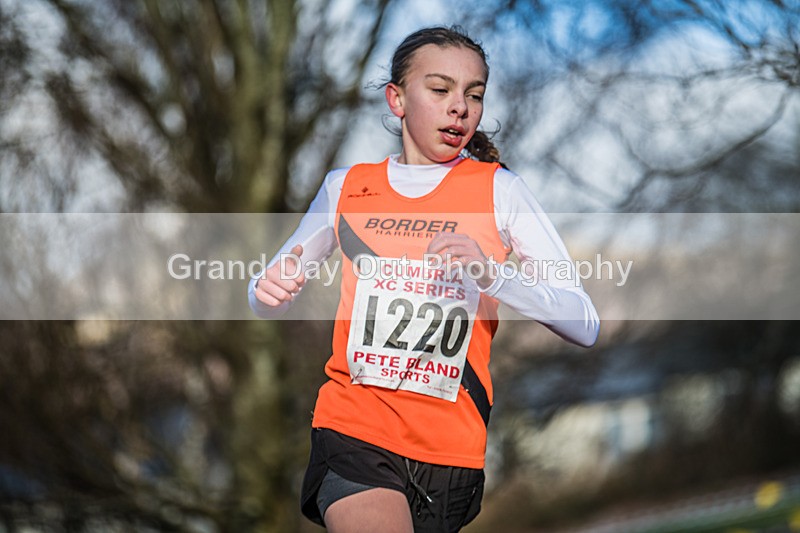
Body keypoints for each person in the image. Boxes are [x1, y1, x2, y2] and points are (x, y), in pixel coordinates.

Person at [249, 25, 600, 533]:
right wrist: (266, 292)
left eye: (474, 95)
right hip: (354, 428)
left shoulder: (501, 192)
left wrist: (493, 277)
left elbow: (584, 323)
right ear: (396, 99)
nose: (459, 107)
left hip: (450, 449)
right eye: (440, 89)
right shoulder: (346, 188)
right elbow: (267, 292)